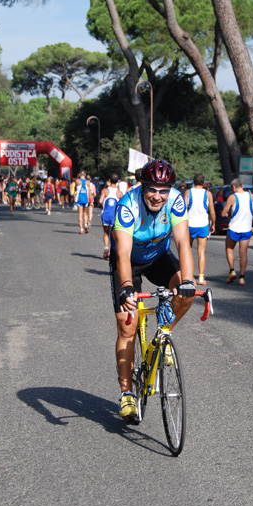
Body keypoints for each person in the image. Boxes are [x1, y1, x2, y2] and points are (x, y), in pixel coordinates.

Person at [110, 159, 196, 420]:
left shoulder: (176, 200)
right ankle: (126, 394)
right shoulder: (128, 205)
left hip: (158, 257)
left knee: (184, 292)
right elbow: (123, 253)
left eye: (163, 190)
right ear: (143, 186)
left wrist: (189, 281)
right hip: (129, 264)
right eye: (152, 189)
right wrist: (126, 287)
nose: (157, 196)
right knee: (128, 326)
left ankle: (164, 329)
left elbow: (182, 242)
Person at [221, 178, 253, 286]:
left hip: (234, 228)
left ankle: (232, 270)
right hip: (247, 229)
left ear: (234, 187)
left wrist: (227, 214)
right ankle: (242, 277)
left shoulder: (232, 197)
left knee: (229, 248)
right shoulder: (251, 196)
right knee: (243, 253)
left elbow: (223, 213)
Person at [184, 174, 216, 286]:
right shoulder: (208, 194)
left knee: (187, 250)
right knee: (201, 252)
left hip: (190, 224)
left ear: (193, 182)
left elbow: (183, 209)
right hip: (203, 224)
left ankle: (189, 276)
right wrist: (213, 224)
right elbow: (212, 211)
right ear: (203, 182)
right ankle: (201, 277)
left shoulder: (188, 192)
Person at [99, 173, 123, 259]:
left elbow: (101, 201)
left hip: (105, 214)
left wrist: (103, 207)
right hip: (114, 216)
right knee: (115, 235)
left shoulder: (105, 191)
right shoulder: (119, 193)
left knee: (106, 232)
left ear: (109, 180)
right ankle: (114, 252)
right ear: (117, 181)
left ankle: (106, 248)